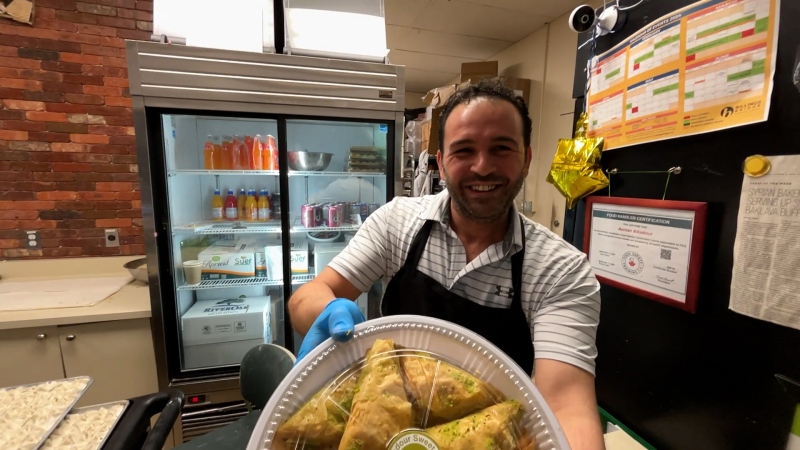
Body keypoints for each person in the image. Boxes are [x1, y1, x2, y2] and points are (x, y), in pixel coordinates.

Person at [288, 79, 605, 450]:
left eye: (501, 148)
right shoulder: (397, 223)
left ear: (527, 159)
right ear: (441, 161)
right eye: (463, 150)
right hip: (385, 430)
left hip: (489, 436)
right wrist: (328, 311)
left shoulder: (560, 269)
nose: (482, 167)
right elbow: (307, 296)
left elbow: (567, 404)